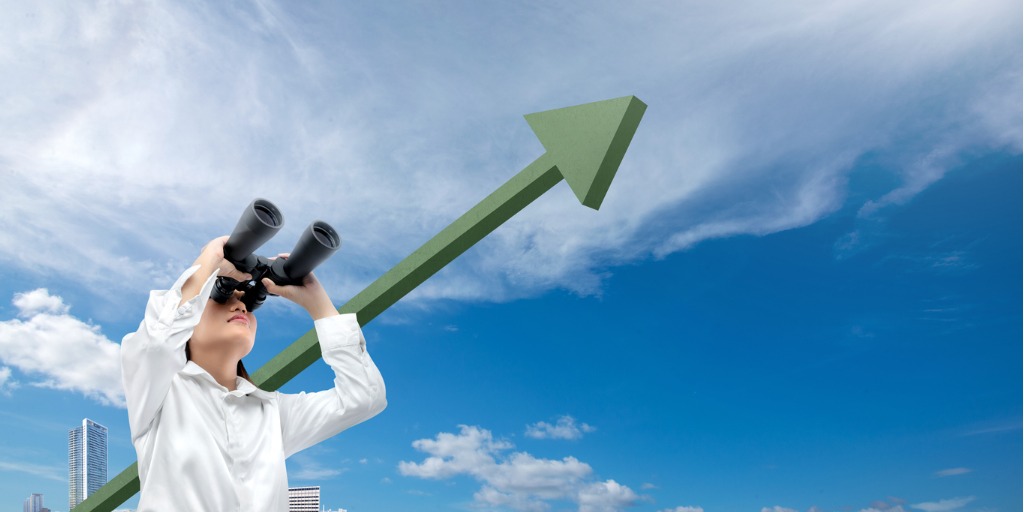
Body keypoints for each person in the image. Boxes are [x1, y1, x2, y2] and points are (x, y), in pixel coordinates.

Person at [120, 235, 386, 511]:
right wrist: (210, 260)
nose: (241, 305)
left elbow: (365, 397)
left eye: (249, 301)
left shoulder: (272, 413)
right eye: (221, 296)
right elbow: (157, 341)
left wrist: (319, 305)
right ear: (189, 318)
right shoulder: (159, 393)